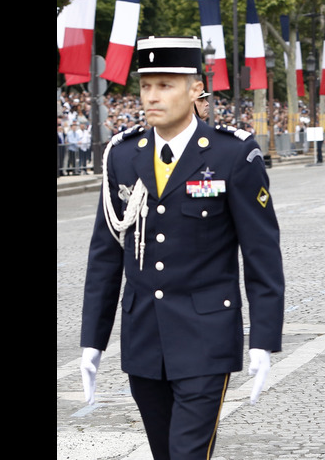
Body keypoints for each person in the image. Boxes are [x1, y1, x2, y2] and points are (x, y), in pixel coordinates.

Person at [79, 36, 285, 460]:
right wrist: (92, 342)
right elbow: (106, 255)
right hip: (143, 341)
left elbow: (262, 254)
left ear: (195, 89)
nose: (152, 96)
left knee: (187, 454)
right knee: (164, 454)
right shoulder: (123, 155)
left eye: (166, 85)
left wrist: (263, 340)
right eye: (146, 85)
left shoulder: (233, 154)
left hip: (206, 339)